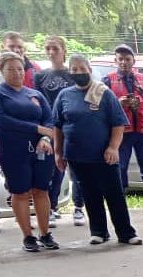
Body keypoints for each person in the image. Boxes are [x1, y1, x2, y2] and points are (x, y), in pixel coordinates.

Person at [52, 54, 142, 246]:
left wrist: (113, 147)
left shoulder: (104, 93)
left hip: (104, 155)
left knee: (114, 193)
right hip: (77, 156)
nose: (78, 72)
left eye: (82, 68)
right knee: (90, 194)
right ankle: (99, 231)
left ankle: (126, 233)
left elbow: (118, 124)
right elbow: (58, 126)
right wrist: (58, 152)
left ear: (90, 70)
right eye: (74, 69)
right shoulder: (64, 96)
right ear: (70, 72)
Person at [0, 51, 59, 252]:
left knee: (41, 190)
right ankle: (28, 236)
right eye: (11, 69)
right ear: (1, 71)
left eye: (20, 69)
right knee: (20, 192)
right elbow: (2, 121)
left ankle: (45, 233)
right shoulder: (0, 93)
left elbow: (48, 121)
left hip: (41, 150)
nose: (16, 73)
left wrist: (45, 137)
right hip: (14, 150)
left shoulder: (35, 94)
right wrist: (35, 129)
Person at [103, 44, 143, 211]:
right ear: (115, 61)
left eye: (127, 59)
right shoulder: (108, 80)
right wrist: (119, 103)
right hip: (121, 133)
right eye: (121, 59)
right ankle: (120, 199)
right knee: (120, 166)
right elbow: (101, 106)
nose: (124, 62)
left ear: (133, 61)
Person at [36, 35, 83, 227]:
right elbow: (36, 102)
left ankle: (79, 207)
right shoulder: (41, 76)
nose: (51, 52)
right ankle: (52, 207)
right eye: (48, 48)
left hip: (73, 127)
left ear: (63, 50)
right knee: (55, 169)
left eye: (55, 48)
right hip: (51, 128)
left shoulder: (73, 74)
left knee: (78, 169)